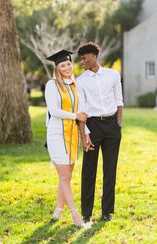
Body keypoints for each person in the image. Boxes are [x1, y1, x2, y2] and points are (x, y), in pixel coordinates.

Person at [76, 42, 124, 223]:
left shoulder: (113, 75)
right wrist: (84, 135)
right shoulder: (80, 81)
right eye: (81, 59)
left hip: (112, 126)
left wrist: (118, 126)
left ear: (94, 56)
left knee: (110, 170)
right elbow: (82, 110)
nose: (82, 61)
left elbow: (119, 102)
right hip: (93, 126)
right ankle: (86, 214)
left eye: (84, 58)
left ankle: (107, 212)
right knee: (89, 170)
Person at [45, 49, 90, 228]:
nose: (66, 67)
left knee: (66, 176)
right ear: (57, 68)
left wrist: (85, 133)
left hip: (71, 135)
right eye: (62, 65)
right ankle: (75, 216)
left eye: (68, 64)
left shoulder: (74, 85)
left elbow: (82, 113)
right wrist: (76, 116)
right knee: (64, 176)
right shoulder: (52, 85)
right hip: (57, 135)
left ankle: (58, 211)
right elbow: (54, 111)